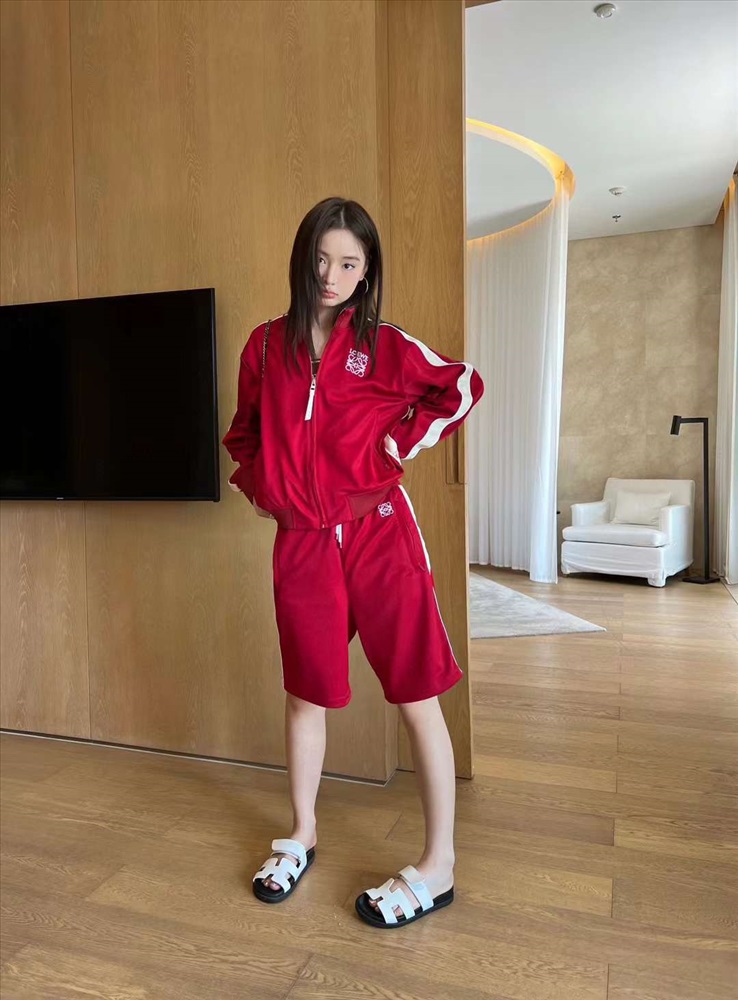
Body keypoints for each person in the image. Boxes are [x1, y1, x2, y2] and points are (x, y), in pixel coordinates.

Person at [222, 196, 484, 929]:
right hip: (302, 542)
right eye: (320, 260)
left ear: (366, 272)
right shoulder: (264, 347)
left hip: (379, 533)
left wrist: (397, 445)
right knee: (306, 694)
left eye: (348, 263)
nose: (330, 276)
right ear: (301, 260)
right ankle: (301, 833)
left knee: (416, 694)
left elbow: (461, 386)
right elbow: (243, 434)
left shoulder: (384, 344)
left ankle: (438, 865)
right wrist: (265, 489)